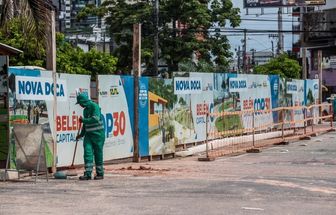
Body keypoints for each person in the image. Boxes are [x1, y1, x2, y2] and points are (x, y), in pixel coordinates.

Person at [76, 93, 105, 180]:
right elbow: (85, 124)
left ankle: (100, 173)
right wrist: (81, 134)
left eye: (80, 103)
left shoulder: (94, 106)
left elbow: (95, 118)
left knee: (98, 154)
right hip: (88, 135)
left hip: (98, 135)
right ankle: (88, 173)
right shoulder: (85, 111)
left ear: (83, 101)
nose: (80, 105)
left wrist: (84, 120)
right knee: (87, 153)